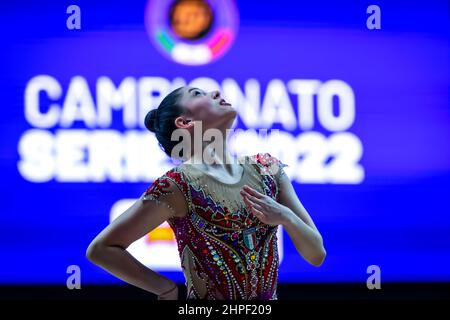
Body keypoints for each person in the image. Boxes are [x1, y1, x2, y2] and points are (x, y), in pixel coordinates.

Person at [86, 86, 326, 300]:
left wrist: (285, 216)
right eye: (198, 93)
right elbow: (102, 249)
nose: (216, 93)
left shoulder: (267, 168)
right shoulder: (177, 186)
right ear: (185, 122)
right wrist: (165, 289)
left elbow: (316, 254)